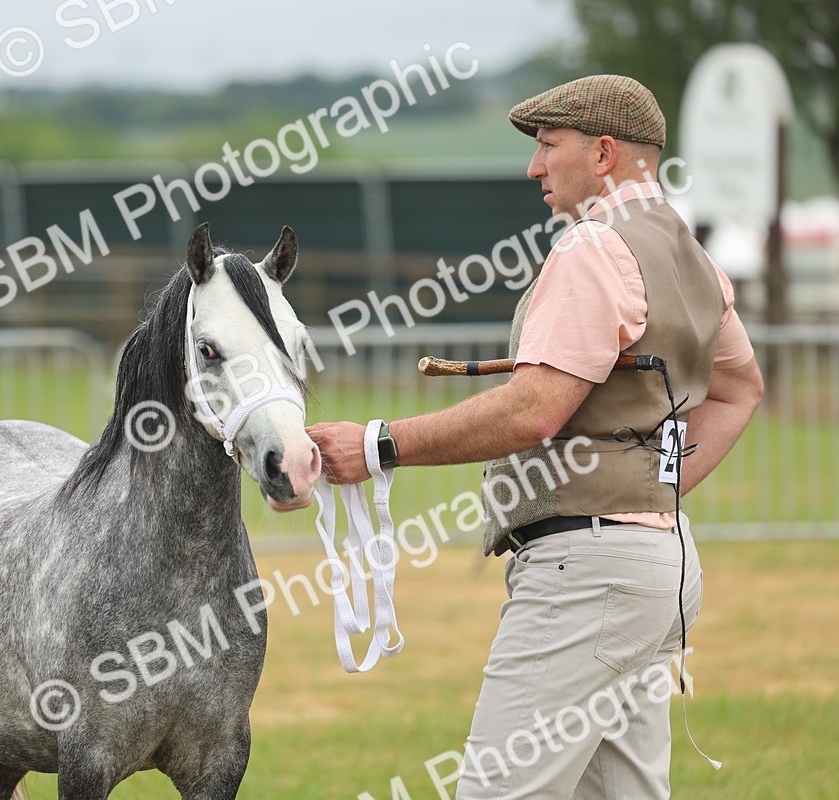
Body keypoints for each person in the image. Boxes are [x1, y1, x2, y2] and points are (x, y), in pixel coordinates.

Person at [307, 74, 764, 799]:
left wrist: (375, 446)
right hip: (657, 566)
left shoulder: (592, 248)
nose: (533, 167)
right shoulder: (693, 259)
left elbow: (533, 410)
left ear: (605, 153)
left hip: (587, 576)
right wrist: (661, 479)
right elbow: (741, 389)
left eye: (549, 146)